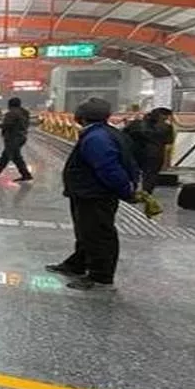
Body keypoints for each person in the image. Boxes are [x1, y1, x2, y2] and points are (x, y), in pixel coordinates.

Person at [46, 97, 140, 291]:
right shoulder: (104, 133)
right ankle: (77, 264)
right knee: (86, 232)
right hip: (88, 192)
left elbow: (109, 169)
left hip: (95, 194)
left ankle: (101, 278)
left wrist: (126, 191)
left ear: (81, 117)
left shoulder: (97, 138)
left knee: (99, 235)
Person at [124, 107, 174, 194]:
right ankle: (146, 193)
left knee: (131, 172)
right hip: (155, 154)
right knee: (150, 175)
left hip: (135, 153)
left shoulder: (135, 124)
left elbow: (124, 136)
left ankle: (131, 192)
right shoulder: (167, 127)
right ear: (163, 116)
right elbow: (169, 141)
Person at [0, 97, 33, 181]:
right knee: (6, 156)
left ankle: (26, 175)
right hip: (21, 136)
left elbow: (7, 125)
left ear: (10, 104)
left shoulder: (11, 113)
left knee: (16, 157)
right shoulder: (24, 112)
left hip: (13, 138)